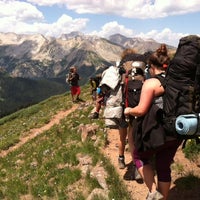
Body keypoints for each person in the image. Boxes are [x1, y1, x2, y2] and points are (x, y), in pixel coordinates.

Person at [124, 52, 182, 200]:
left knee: (138, 156)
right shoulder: (178, 80)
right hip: (177, 131)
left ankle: (153, 192)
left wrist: (129, 110)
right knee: (163, 166)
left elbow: (141, 110)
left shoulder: (151, 83)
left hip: (158, 133)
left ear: (151, 67)